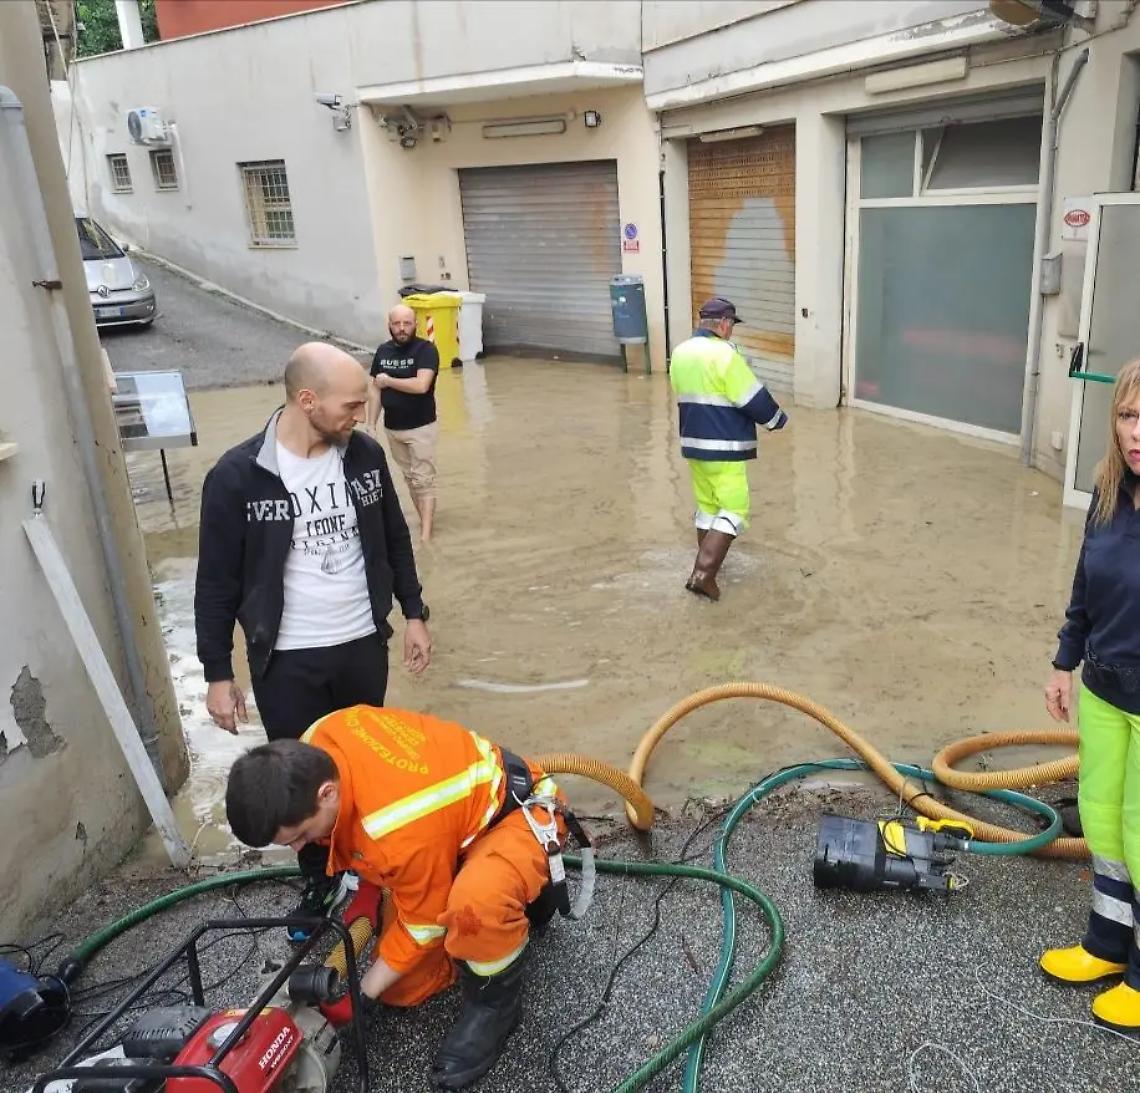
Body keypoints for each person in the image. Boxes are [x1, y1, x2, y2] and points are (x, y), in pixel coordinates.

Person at [195, 341, 431, 933]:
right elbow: (216, 584)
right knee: (297, 781)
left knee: (360, 769)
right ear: (308, 400)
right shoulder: (238, 477)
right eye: (352, 403)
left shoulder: (364, 457)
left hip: (360, 644)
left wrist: (415, 614)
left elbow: (394, 539)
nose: (361, 412)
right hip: (287, 661)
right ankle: (321, 882)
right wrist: (218, 675)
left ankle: (370, 870)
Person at [225, 704, 570, 1090]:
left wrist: (361, 996)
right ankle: (516, 901)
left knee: (474, 908)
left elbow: (422, 925)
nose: (299, 849)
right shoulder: (316, 739)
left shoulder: (396, 825)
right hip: (444, 822)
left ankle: (496, 1007)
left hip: (514, 817)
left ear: (326, 792)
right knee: (405, 990)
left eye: (301, 836)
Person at [1041, 357, 1140, 1031]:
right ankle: (1107, 945)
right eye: (1129, 415)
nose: (1138, 431)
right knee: (1102, 818)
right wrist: (1063, 661)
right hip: (1106, 686)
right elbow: (1084, 587)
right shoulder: (1108, 493)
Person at [668, 296, 788, 601]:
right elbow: (752, 397)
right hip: (724, 446)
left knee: (708, 508)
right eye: (731, 325)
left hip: (692, 444)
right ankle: (703, 575)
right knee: (735, 510)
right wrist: (776, 419)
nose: (731, 331)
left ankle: (710, 570)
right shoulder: (725, 355)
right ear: (723, 324)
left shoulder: (680, 353)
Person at [368, 304, 440, 543]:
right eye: (396, 323)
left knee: (424, 480)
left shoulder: (426, 350)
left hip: (421, 427)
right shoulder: (383, 352)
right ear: (389, 325)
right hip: (392, 428)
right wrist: (370, 424)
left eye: (406, 323)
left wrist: (389, 380)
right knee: (409, 478)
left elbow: (421, 386)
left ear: (415, 324)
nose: (401, 328)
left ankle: (426, 537)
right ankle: (424, 521)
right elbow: (375, 390)